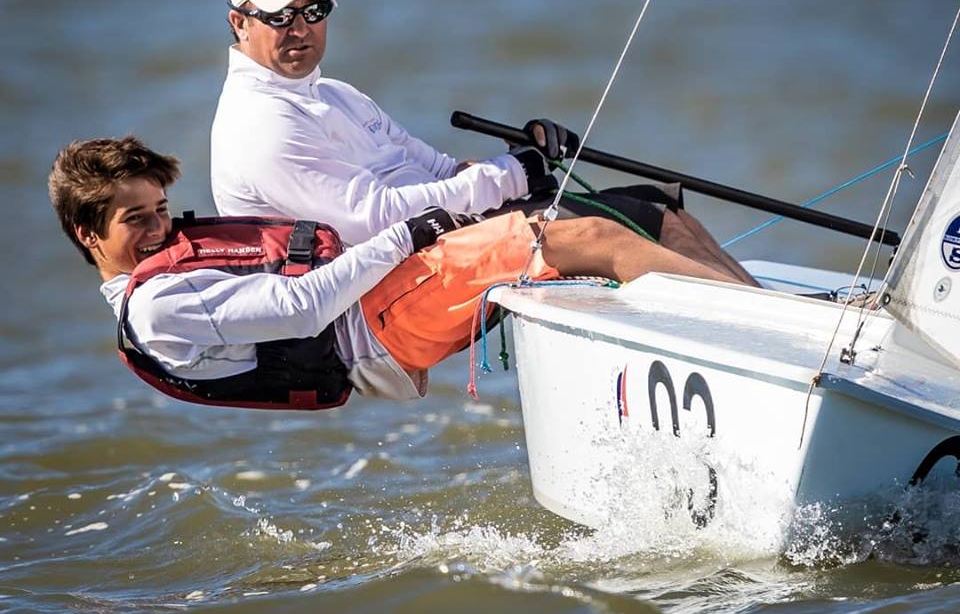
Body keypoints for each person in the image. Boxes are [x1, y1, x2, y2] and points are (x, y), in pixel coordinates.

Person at [50, 137, 750, 408]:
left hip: (383, 298)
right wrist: (407, 234)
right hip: (378, 328)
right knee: (591, 237)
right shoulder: (156, 309)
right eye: (135, 220)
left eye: (161, 210)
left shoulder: (168, 269)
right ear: (89, 235)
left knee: (641, 208)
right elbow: (300, 308)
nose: (159, 230)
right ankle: (752, 338)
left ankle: (760, 313)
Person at [210, 0, 756, 286]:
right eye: (280, 16)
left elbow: (441, 171)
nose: (300, 29)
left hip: (440, 239)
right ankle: (755, 327)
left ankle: (770, 318)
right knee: (602, 236)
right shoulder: (261, 123)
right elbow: (374, 220)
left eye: (314, 10)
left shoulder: (335, 95)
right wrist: (509, 176)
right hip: (387, 282)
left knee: (653, 208)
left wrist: (520, 157)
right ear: (240, 23)